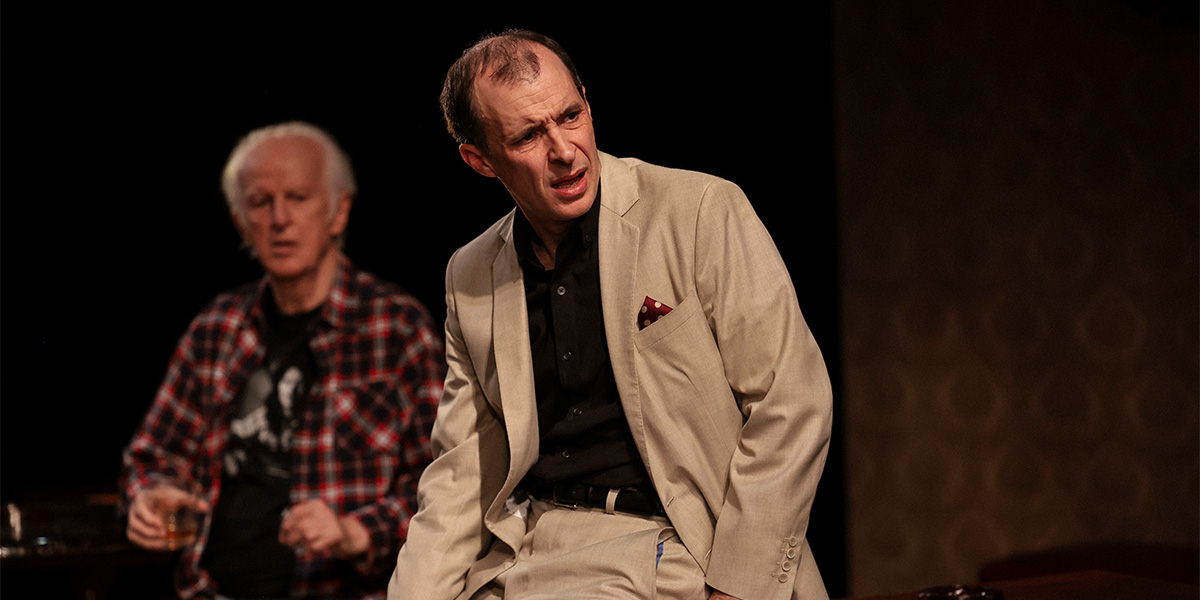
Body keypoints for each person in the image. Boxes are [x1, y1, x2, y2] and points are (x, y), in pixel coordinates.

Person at [388, 30, 832, 600]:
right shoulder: (471, 272)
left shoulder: (698, 212)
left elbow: (791, 404)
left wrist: (737, 589)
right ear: (480, 161)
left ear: (588, 104)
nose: (564, 149)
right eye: (528, 135)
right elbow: (461, 474)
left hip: (675, 547)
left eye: (570, 116)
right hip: (525, 556)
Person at [121, 121, 444, 600]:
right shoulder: (217, 328)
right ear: (240, 222)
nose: (279, 219)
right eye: (260, 202)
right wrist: (152, 495)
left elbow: (443, 486)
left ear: (339, 212)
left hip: (339, 588)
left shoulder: (396, 329)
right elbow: (154, 455)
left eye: (298, 197)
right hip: (207, 589)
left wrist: (353, 531)